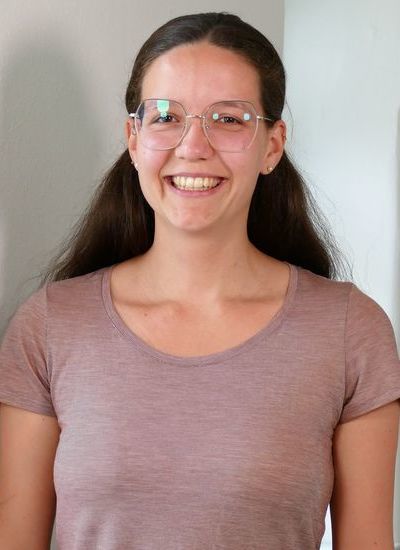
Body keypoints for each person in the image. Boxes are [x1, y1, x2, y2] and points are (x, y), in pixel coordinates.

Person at [1, 11, 399, 550]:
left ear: (273, 145)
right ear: (133, 137)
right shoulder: (50, 326)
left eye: (228, 119)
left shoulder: (350, 331)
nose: (193, 146)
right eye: (166, 116)